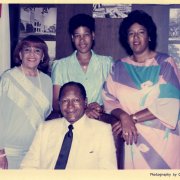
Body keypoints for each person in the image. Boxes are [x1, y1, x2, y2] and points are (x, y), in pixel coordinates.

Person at [102, 10, 180, 169]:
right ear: (126, 38)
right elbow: (108, 98)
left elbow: (169, 102)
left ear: (149, 36)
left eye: (141, 32)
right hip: (130, 139)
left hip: (163, 142)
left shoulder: (165, 63)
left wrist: (132, 118)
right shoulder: (118, 67)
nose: (135, 37)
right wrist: (123, 117)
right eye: (131, 33)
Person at [20, 81, 117, 169]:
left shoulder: (102, 131)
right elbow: (28, 166)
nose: (70, 106)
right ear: (59, 103)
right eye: (65, 101)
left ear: (85, 102)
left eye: (76, 100)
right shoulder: (45, 128)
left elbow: (108, 172)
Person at [0, 35, 52, 169]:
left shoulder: (47, 81)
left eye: (37, 51)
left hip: (34, 151)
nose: (32, 54)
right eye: (27, 50)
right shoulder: (8, 78)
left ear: (42, 57)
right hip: (8, 151)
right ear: (20, 54)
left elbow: (44, 117)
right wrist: (0, 152)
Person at [51, 13, 113, 119]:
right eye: (77, 36)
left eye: (86, 35)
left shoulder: (107, 63)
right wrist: (83, 110)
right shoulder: (60, 65)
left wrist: (100, 107)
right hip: (71, 121)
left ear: (93, 35)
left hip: (99, 119)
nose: (82, 40)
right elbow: (56, 103)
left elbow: (114, 98)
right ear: (72, 38)